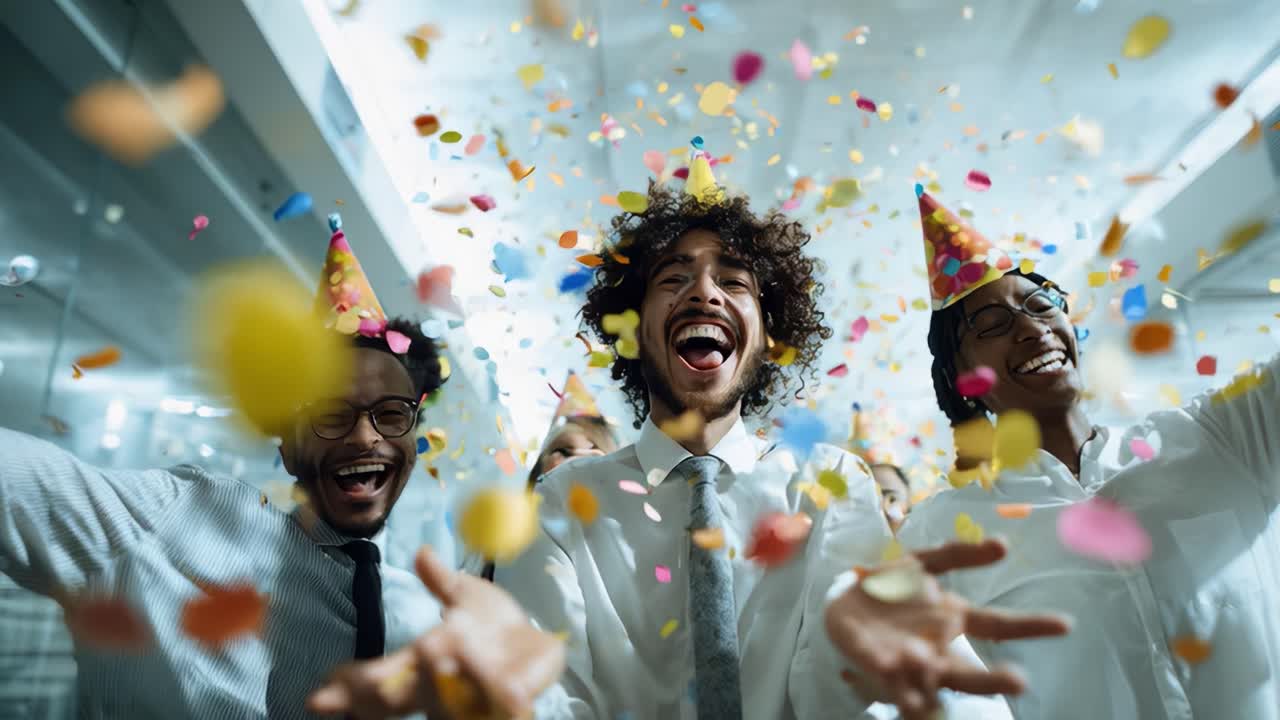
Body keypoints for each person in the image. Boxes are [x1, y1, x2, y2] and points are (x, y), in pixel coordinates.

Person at [493, 158, 1069, 720]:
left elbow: (863, 679)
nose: (704, 294)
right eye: (672, 278)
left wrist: (863, 666)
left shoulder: (829, 484)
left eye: (734, 281)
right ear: (631, 327)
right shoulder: (558, 505)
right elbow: (547, 697)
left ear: (769, 336)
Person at [0, 217, 565, 719]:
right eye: (329, 414)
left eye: (391, 414)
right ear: (289, 444)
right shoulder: (182, 515)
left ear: (415, 436)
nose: (365, 436)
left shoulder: (420, 613)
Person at [900, 186, 1280, 718]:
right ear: (962, 378)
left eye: (1040, 305)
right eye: (992, 324)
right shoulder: (940, 536)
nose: (1033, 329)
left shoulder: (1223, 436)